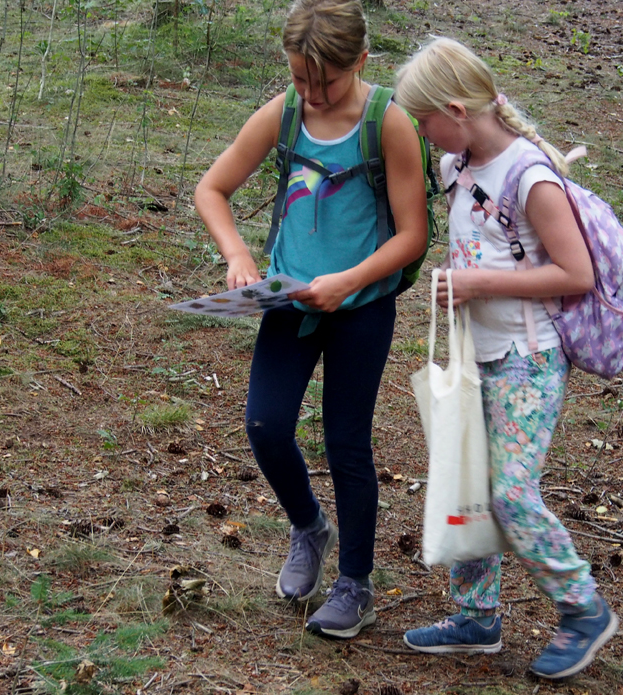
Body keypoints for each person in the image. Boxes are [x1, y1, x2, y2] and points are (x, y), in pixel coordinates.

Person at [193, 0, 427, 639]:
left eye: (327, 80)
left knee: (347, 443)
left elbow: (413, 235)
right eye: (301, 78)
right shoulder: (285, 113)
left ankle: (355, 583)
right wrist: (238, 255)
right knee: (266, 426)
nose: (314, 93)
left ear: (361, 61)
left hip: (361, 309)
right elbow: (211, 189)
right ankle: (308, 528)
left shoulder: (391, 123)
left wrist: (350, 281)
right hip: (288, 303)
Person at [393, 37, 618, 679]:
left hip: (529, 357)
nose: (422, 132)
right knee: (471, 479)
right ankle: (475, 616)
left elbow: (574, 273)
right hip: (478, 353)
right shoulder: (456, 168)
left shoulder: (531, 177)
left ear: (457, 110)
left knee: (513, 492)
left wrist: (477, 284)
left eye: (425, 120)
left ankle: (583, 608)